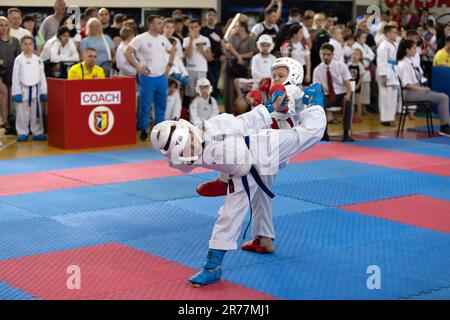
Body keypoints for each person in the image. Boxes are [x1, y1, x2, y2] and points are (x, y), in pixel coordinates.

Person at [150, 77, 326, 288]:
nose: (192, 149)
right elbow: (184, 164)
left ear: (189, 130)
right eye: (185, 151)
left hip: (263, 147)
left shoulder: (212, 127)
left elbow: (244, 122)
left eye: (190, 143)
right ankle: (212, 267)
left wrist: (268, 107)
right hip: (241, 174)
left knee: (311, 133)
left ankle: (313, 101)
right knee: (228, 216)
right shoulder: (181, 159)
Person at [125, 15, 176, 141]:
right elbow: (127, 52)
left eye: (161, 23)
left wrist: (169, 66)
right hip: (147, 77)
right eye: (159, 23)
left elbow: (172, 51)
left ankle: (159, 131)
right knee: (145, 105)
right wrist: (138, 67)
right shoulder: (141, 38)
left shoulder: (163, 39)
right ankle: (144, 129)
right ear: (151, 24)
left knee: (161, 105)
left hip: (161, 77)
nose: (161, 25)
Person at [397, 39, 450, 137]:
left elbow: (418, 78)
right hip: (409, 94)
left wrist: (423, 83)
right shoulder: (403, 64)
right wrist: (422, 89)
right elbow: (407, 84)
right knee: (443, 98)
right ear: (407, 50)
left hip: (415, 91)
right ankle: (445, 127)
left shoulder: (410, 62)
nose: (415, 51)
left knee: (442, 96)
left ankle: (445, 125)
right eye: (413, 49)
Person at [313, 43, 353, 142]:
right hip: (327, 95)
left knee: (348, 103)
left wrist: (348, 95)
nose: (326, 57)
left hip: (341, 94)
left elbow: (348, 83)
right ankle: (324, 134)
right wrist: (318, 99)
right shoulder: (317, 70)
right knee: (320, 106)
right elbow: (317, 88)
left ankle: (346, 133)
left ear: (332, 55)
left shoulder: (341, 66)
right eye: (324, 54)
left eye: (328, 54)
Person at [11, 36, 47, 142]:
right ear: (21, 45)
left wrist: (43, 91)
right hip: (22, 89)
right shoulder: (18, 59)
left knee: (36, 113)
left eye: (30, 44)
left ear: (33, 45)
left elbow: (42, 77)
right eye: (25, 44)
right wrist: (16, 92)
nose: (28, 46)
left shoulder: (38, 60)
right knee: (22, 113)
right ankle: (22, 132)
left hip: (35, 90)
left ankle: (38, 132)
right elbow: (15, 77)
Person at [224, 21, 256, 114]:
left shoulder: (251, 39)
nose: (235, 28)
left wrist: (239, 57)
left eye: (237, 26)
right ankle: (229, 112)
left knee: (243, 90)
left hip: (244, 68)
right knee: (230, 91)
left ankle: (244, 112)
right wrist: (238, 56)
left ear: (243, 27)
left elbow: (251, 53)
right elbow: (228, 48)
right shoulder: (233, 37)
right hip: (232, 66)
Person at [183, 19, 213, 102]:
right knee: (191, 94)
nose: (193, 29)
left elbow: (210, 58)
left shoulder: (205, 39)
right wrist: (191, 40)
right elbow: (189, 55)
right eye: (191, 27)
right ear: (188, 28)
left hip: (202, 69)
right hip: (190, 69)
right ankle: (192, 113)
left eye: (195, 27)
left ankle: (201, 113)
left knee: (202, 94)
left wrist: (202, 51)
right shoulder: (186, 40)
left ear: (199, 27)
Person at [0, 16, 21, 135]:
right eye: (0, 25)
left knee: (12, 94)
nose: (3, 28)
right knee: (4, 93)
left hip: (12, 71)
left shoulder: (15, 41)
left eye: (5, 25)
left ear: (9, 26)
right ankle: (5, 120)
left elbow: (19, 57)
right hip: (0, 72)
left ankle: (13, 120)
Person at [376, 25, 400, 126]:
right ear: (387, 34)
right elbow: (381, 62)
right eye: (394, 32)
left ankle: (391, 117)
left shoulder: (394, 44)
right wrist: (384, 76)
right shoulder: (383, 46)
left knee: (393, 96)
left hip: (393, 71)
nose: (396, 34)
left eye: (396, 32)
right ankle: (385, 119)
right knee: (385, 96)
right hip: (385, 72)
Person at [201, 8, 224, 99]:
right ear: (205, 17)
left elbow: (222, 44)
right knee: (207, 82)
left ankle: (213, 102)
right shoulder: (202, 30)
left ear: (216, 17)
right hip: (205, 61)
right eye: (209, 15)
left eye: (213, 15)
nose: (211, 17)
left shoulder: (218, 30)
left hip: (217, 61)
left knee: (215, 83)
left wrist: (223, 54)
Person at [352, 30, 375, 113]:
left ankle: (364, 108)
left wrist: (367, 56)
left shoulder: (365, 46)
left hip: (367, 70)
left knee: (366, 90)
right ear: (357, 38)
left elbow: (372, 56)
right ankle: (358, 108)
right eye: (362, 37)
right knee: (359, 90)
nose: (364, 39)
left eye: (365, 38)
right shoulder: (355, 46)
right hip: (358, 70)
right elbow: (363, 56)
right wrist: (366, 56)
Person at [348, 48, 365, 122]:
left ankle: (359, 115)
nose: (355, 56)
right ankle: (351, 115)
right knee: (351, 100)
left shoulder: (360, 65)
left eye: (357, 54)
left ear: (360, 57)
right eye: (353, 54)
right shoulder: (349, 64)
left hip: (357, 84)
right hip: (350, 84)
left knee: (358, 100)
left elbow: (361, 76)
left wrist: (358, 84)